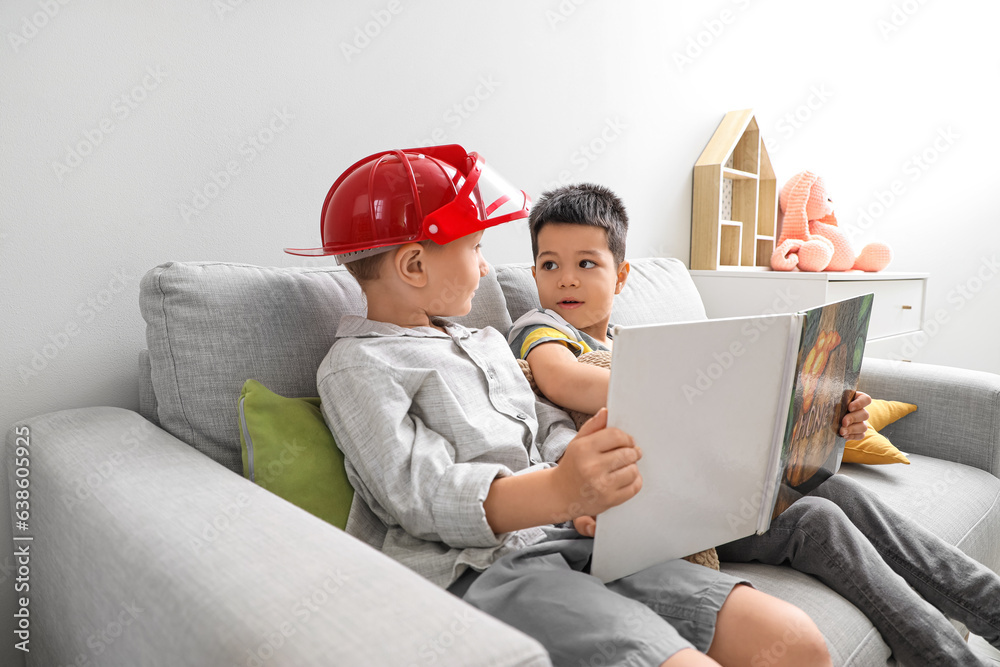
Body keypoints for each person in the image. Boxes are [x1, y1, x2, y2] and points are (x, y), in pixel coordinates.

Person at [287, 146, 832, 667]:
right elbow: (418, 493)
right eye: (475, 248)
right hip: (483, 565)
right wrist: (558, 491)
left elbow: (544, 425)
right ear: (412, 265)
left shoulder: (485, 341)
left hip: (577, 535)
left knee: (794, 641)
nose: (484, 268)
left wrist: (586, 471)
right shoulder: (359, 365)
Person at [509, 182, 1000, 666]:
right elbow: (565, 381)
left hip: (694, 483)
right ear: (534, 275)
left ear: (621, 276)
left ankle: (991, 608)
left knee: (834, 490)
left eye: (586, 263)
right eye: (550, 264)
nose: (566, 279)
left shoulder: (627, 341)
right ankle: (944, 655)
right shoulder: (541, 327)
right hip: (633, 508)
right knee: (817, 521)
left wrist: (818, 413)